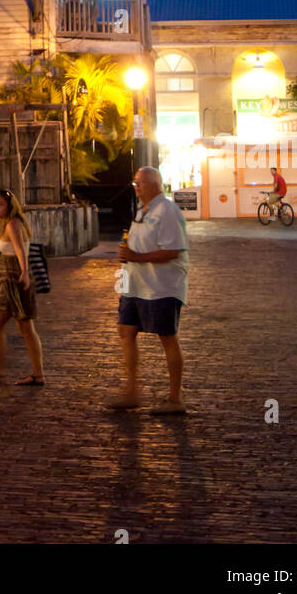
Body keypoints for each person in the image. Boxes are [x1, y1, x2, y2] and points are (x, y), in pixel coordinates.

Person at [108, 166, 189, 414]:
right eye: (135, 183)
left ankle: (175, 398)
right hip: (135, 285)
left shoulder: (167, 211)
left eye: (140, 182)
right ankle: (132, 390)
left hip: (161, 286)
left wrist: (136, 256)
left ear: (154, 184)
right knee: (125, 330)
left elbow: (172, 250)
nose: (136, 187)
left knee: (167, 337)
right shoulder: (142, 211)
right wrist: (128, 255)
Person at [0, 188, 45, 386]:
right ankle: (34, 374)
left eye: (0, 204)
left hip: (13, 279)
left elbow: (21, 251)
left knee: (6, 325)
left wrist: (24, 273)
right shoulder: (8, 223)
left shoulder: (13, 224)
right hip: (9, 279)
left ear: (9, 205)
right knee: (21, 327)